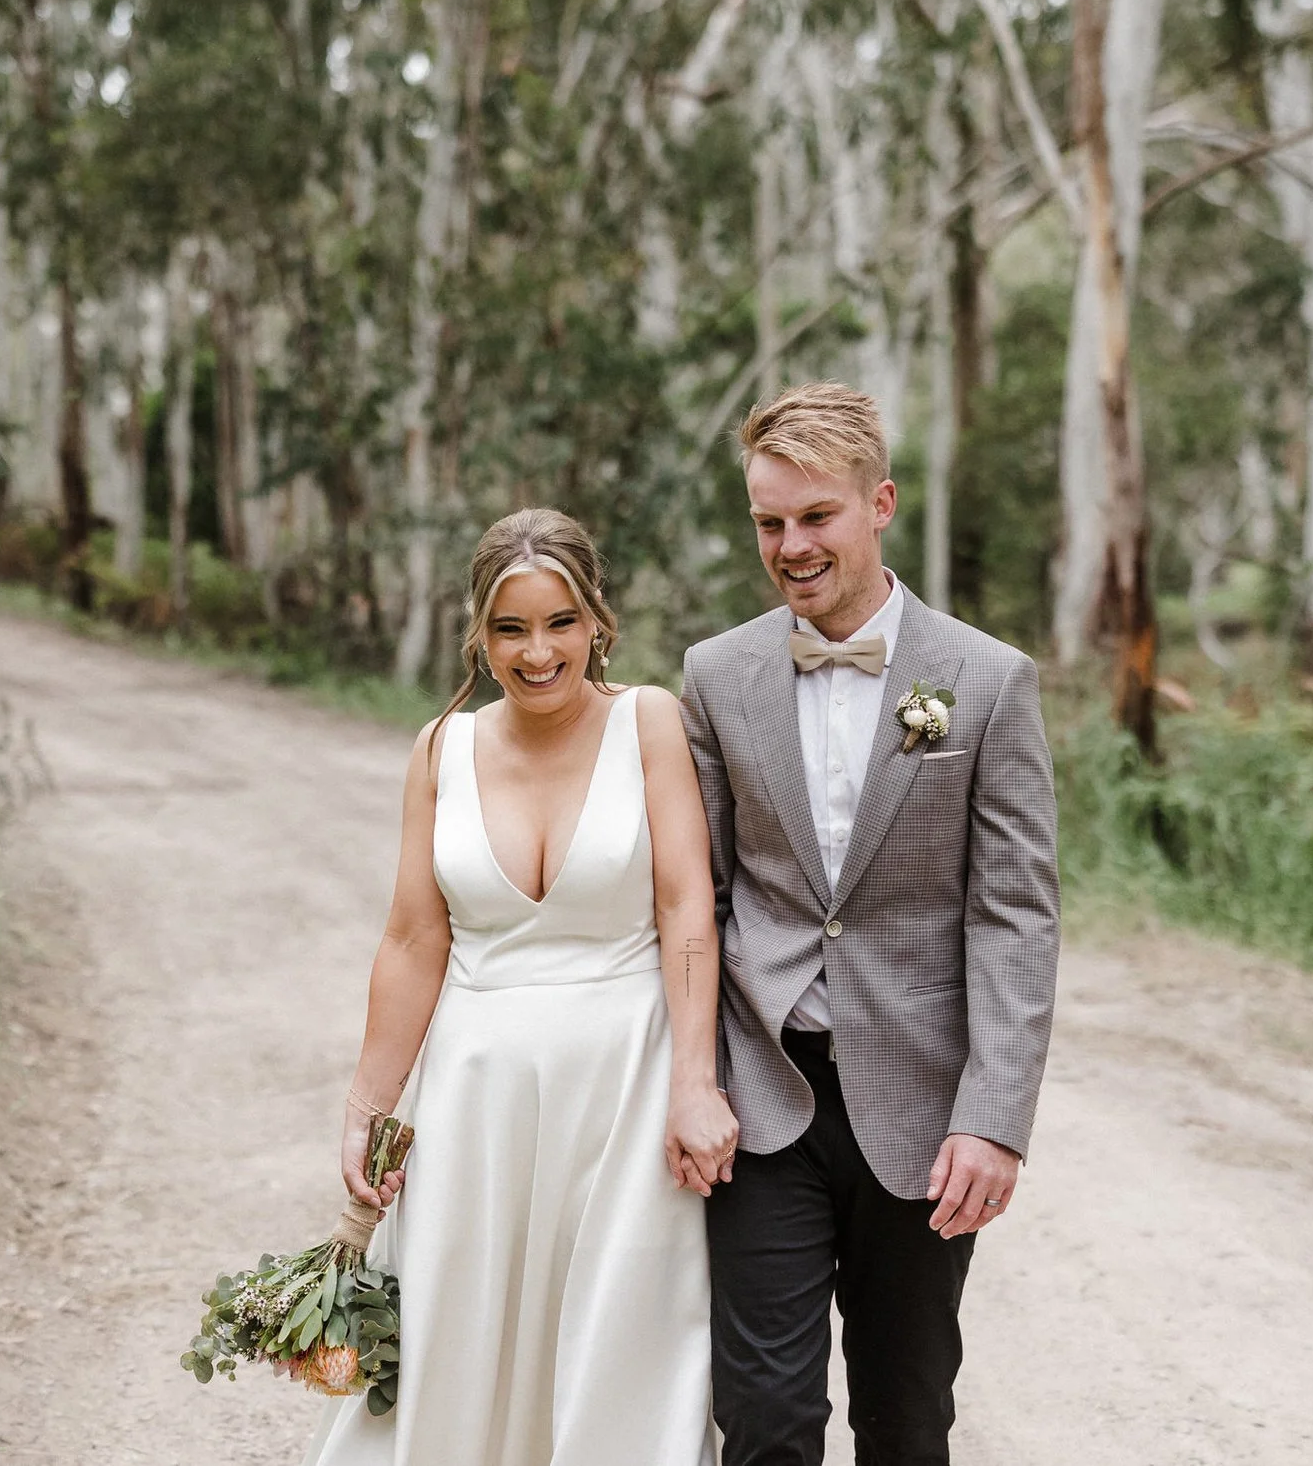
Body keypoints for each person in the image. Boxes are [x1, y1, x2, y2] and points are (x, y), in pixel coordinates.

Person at [304, 507, 738, 1466]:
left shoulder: (649, 721)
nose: (537, 652)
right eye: (511, 628)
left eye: (559, 623)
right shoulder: (440, 750)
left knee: (625, 1342)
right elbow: (415, 938)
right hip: (475, 1098)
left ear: (596, 622)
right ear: (480, 633)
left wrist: (695, 1082)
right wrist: (366, 1108)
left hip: (625, 1088)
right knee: (459, 1340)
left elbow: (687, 910)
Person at [681, 383, 1060, 1466]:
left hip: (924, 1114)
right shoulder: (716, 674)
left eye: (816, 517)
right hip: (765, 1100)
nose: (791, 546)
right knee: (761, 1418)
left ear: (879, 502)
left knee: (905, 1416)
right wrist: (693, 1079)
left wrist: (994, 1116)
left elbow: (1016, 914)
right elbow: (698, 900)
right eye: (768, 522)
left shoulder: (986, 681)